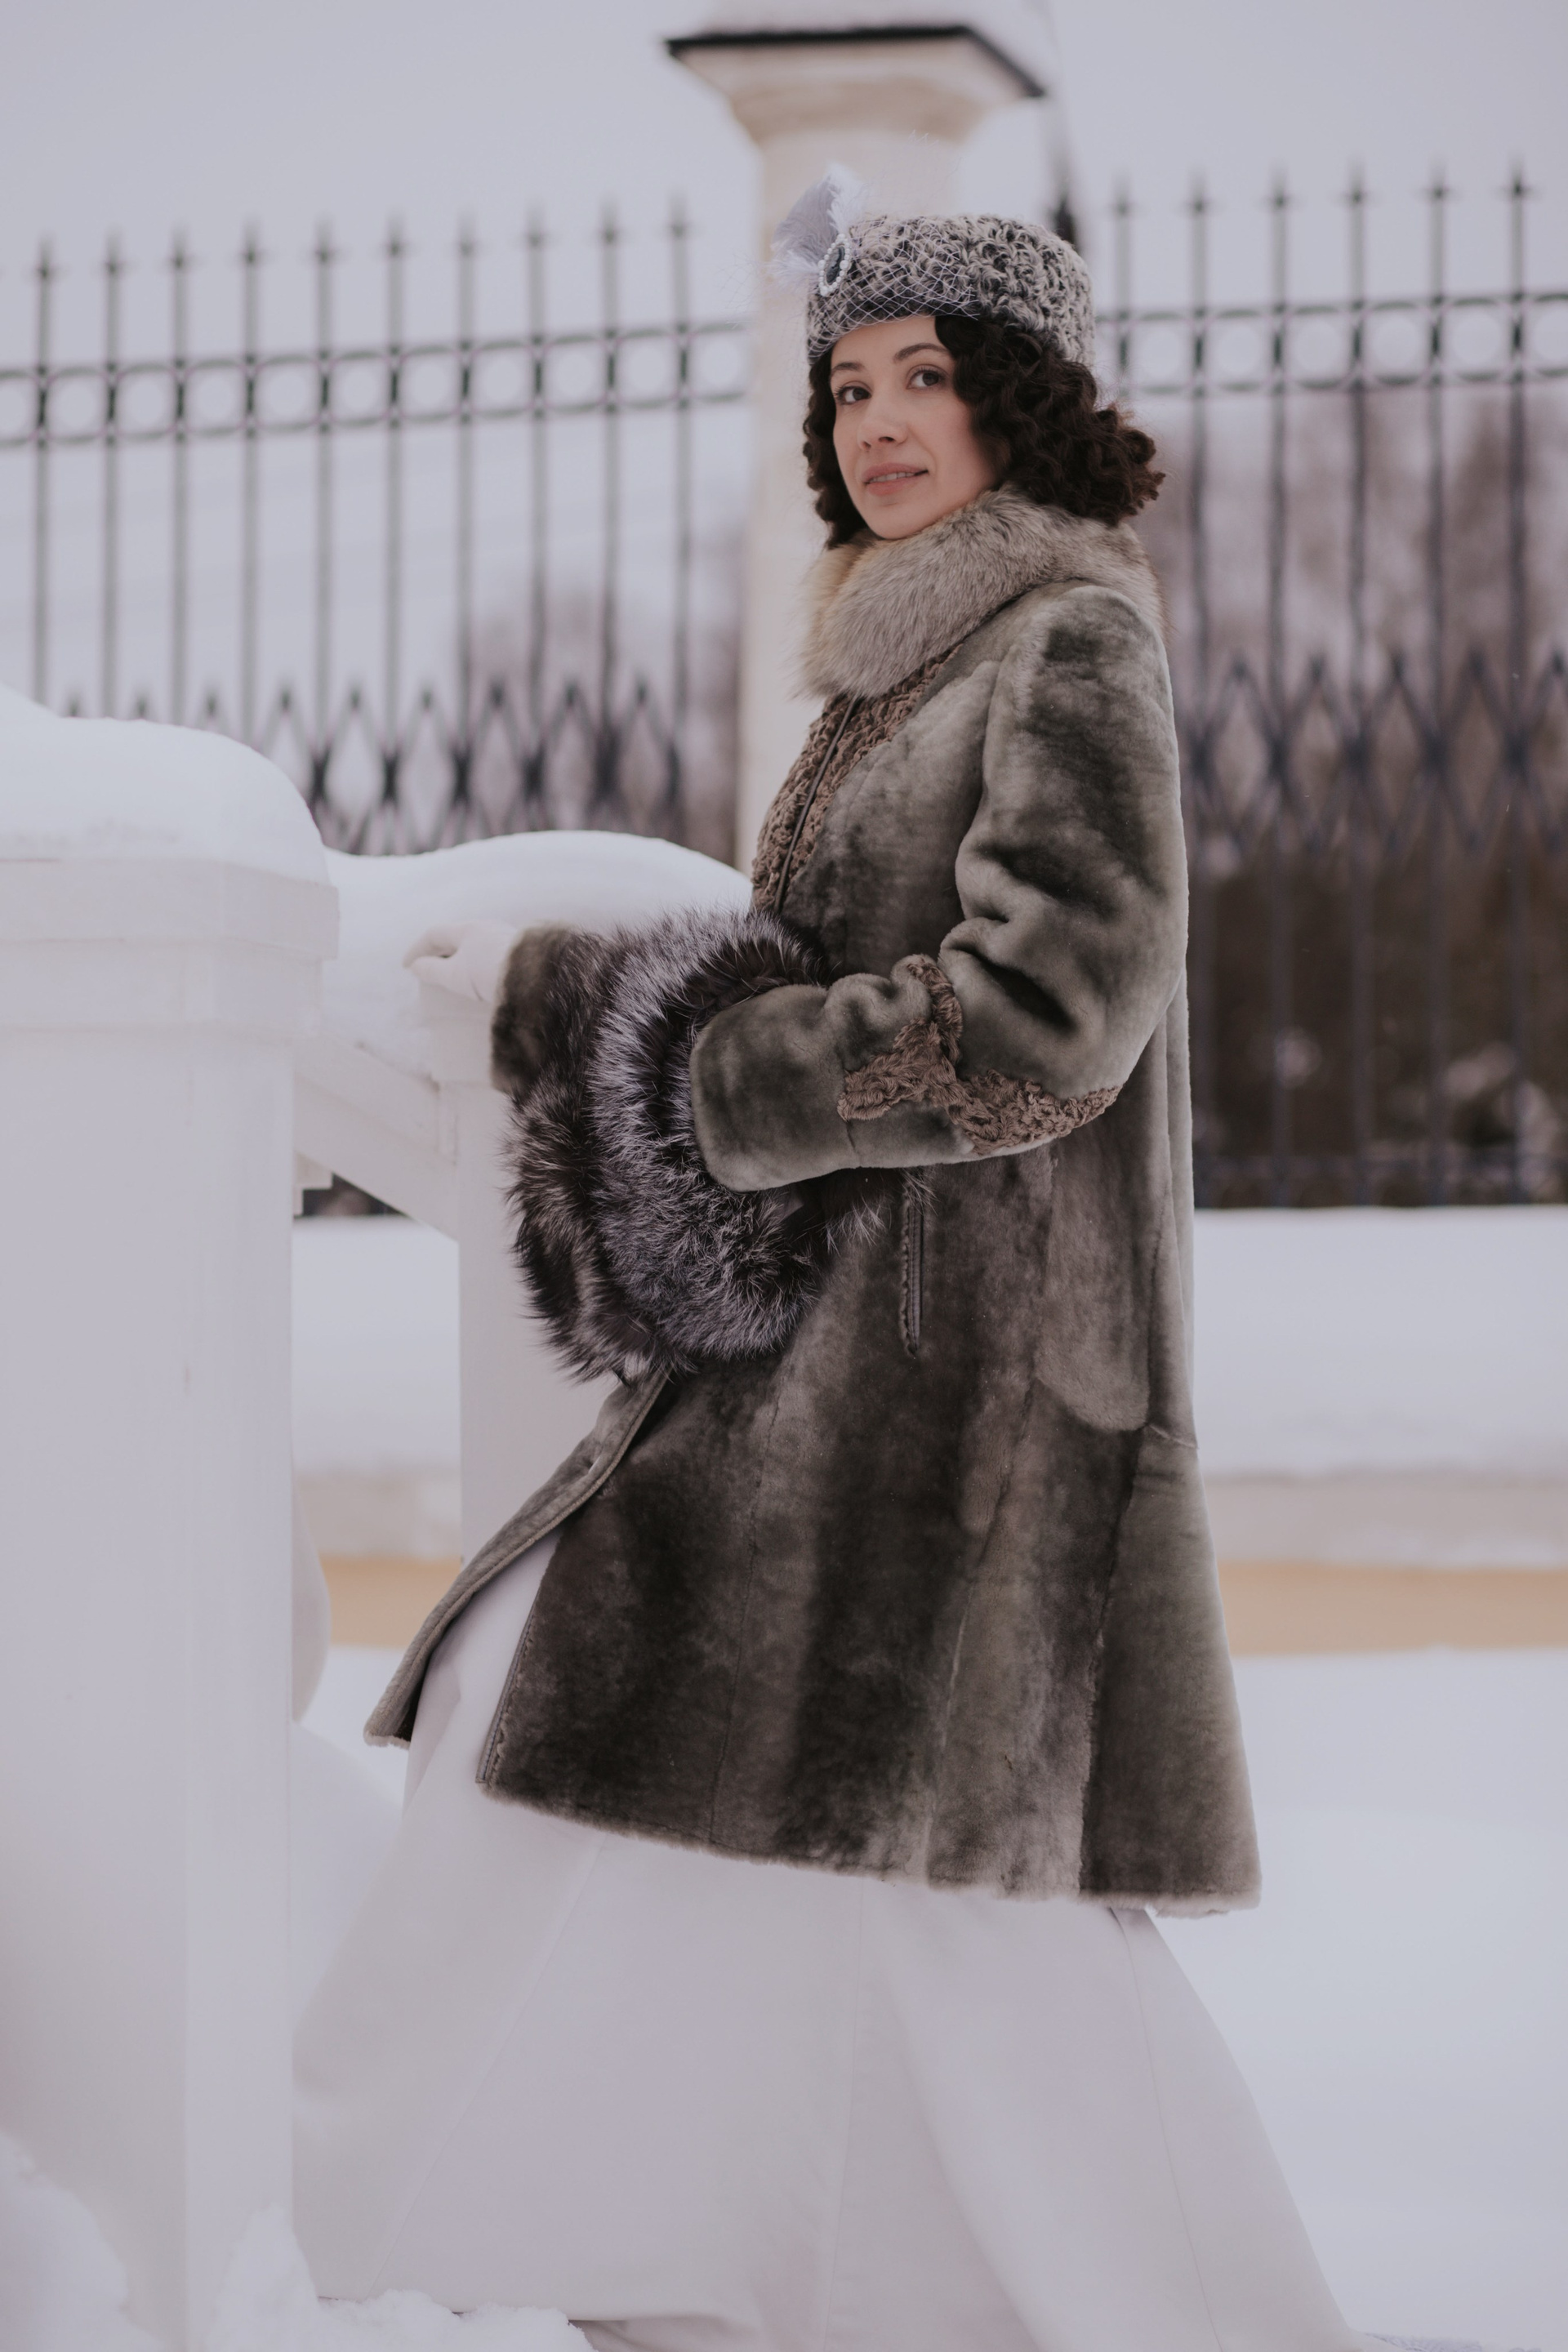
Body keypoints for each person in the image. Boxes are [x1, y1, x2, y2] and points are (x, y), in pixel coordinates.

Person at [296, 185, 1384, 2352]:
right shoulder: (905, 659)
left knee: (954, 1894)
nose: (881, 421)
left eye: (929, 379)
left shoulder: (1065, 638)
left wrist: (696, 1067)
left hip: (975, 1387)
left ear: (1022, 405)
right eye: (852, 384)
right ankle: (656, 2263)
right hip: (849, 1364)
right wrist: (587, 1007)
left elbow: (1050, 1021)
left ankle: (1134, 2304)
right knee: (741, 1812)